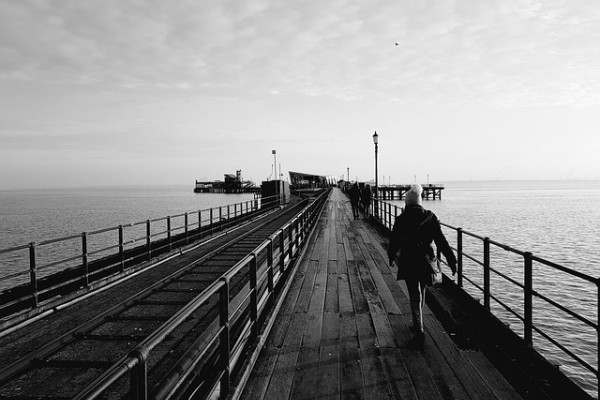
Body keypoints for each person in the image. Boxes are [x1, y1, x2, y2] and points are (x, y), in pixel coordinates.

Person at [387, 183, 457, 347]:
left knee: (414, 293)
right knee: (422, 289)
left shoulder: (402, 218)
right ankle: (417, 323)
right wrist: (452, 260)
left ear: (407, 202)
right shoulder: (430, 217)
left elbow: (395, 240)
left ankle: (419, 331)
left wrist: (391, 256)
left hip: (409, 259)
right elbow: (441, 241)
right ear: (420, 201)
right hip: (426, 260)